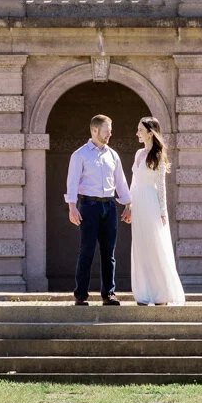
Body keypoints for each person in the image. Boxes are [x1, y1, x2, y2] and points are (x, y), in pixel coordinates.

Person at [65, 114, 131, 306]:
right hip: (88, 206)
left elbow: (121, 181)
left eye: (110, 131)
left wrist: (128, 205)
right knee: (86, 251)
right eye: (107, 130)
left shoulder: (113, 155)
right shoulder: (80, 155)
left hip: (109, 206)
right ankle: (81, 295)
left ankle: (108, 294)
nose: (110, 134)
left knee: (108, 253)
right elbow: (72, 182)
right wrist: (72, 208)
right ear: (95, 130)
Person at [129, 117, 185, 307]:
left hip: (151, 203)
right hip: (137, 204)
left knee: (155, 246)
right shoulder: (138, 154)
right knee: (140, 247)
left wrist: (162, 212)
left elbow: (161, 186)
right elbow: (133, 181)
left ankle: (162, 295)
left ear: (150, 132)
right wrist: (128, 205)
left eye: (140, 130)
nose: (137, 133)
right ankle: (144, 293)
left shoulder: (158, 156)